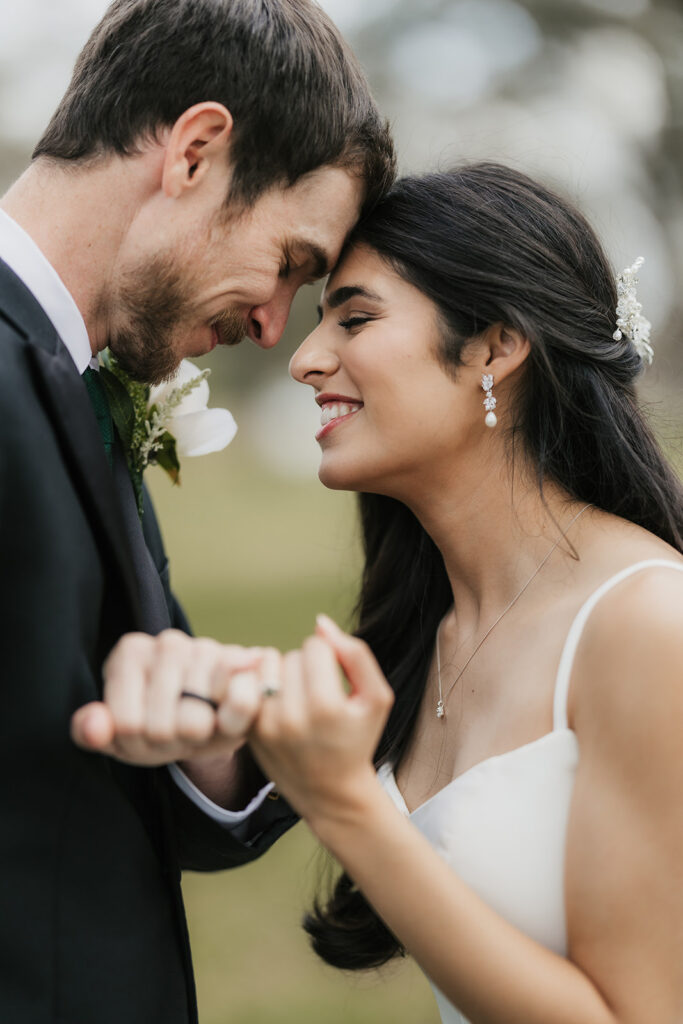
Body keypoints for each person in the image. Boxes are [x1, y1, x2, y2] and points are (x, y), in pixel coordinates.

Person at [104, 163, 683, 1023]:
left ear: (494, 344)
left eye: (357, 318)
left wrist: (346, 807)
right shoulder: (428, 633)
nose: (303, 359)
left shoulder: (644, 624)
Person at [0, 0, 394, 1021]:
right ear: (196, 151)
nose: (272, 327)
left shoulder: (71, 381)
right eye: (291, 262)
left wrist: (223, 713)